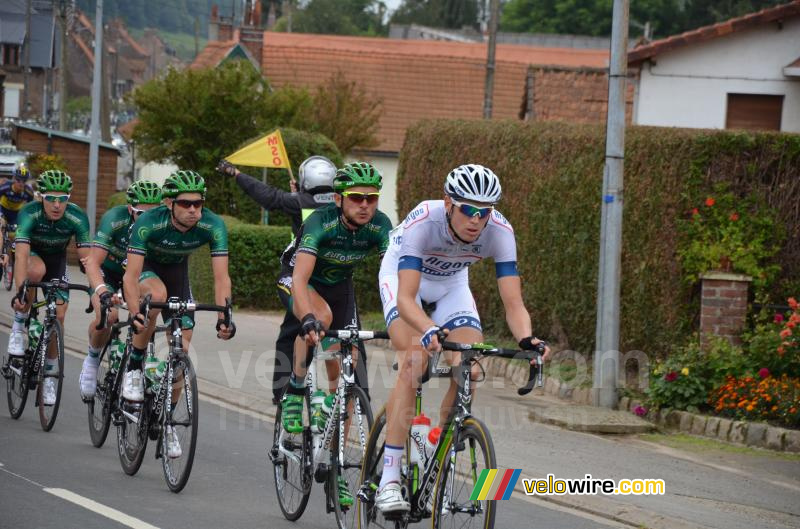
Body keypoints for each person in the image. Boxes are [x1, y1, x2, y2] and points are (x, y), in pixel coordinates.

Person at [374, 164, 550, 513]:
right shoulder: (425, 220)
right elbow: (407, 299)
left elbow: (513, 302)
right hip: (403, 280)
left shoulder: (499, 231)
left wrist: (527, 339)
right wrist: (426, 330)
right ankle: (389, 479)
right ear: (448, 203)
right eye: (468, 209)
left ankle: (440, 445)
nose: (477, 220)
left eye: (485, 212)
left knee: (470, 364)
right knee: (414, 360)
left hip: (451, 287)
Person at [278, 161, 392, 507]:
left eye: (371, 198)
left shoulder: (380, 226)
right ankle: (296, 390)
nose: (365, 205)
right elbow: (299, 279)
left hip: (341, 287)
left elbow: (393, 279)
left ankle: (335, 468)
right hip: (299, 279)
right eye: (356, 197)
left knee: (346, 378)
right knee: (320, 320)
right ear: (340, 199)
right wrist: (308, 317)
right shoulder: (320, 221)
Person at [217, 156, 369, 405]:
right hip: (335, 277)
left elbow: (266, 195)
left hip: (303, 276)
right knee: (352, 338)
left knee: (291, 335)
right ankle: (361, 397)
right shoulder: (342, 204)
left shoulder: (298, 201)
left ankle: (284, 394)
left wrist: (236, 174)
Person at [122, 170, 235, 458]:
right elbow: (130, 277)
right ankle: (135, 366)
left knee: (180, 355)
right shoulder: (149, 222)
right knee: (157, 297)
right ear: (169, 203)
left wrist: (225, 315)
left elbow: (221, 277)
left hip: (178, 275)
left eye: (198, 203)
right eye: (185, 204)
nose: (193, 210)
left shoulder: (213, 225)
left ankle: (169, 421)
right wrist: (135, 310)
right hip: (147, 269)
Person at [4, 170, 99, 406]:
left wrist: (95, 288)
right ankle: (19, 325)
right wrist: (20, 291)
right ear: (40, 197)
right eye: (50, 199)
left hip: (58, 262)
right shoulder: (30, 213)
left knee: (59, 315)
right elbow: (23, 254)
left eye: (63, 199)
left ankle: (49, 375)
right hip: (32, 256)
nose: (57, 205)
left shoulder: (77, 217)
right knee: (34, 273)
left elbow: (87, 260)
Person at [78, 180, 163, 399]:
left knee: (149, 306)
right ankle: (92, 360)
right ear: (129, 209)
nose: (146, 218)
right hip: (107, 272)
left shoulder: (161, 223)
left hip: (135, 273)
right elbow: (93, 262)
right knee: (109, 315)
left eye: (152, 213)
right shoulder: (114, 219)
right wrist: (103, 292)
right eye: (139, 213)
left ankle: (134, 365)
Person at [0, 164, 35, 266]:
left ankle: (11, 261)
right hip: (3, 209)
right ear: (14, 179)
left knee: (14, 235)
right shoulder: (6, 187)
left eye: (24, 181)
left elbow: (29, 208)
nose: (21, 183)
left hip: (15, 214)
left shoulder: (28, 192)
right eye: (18, 180)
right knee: (1, 228)